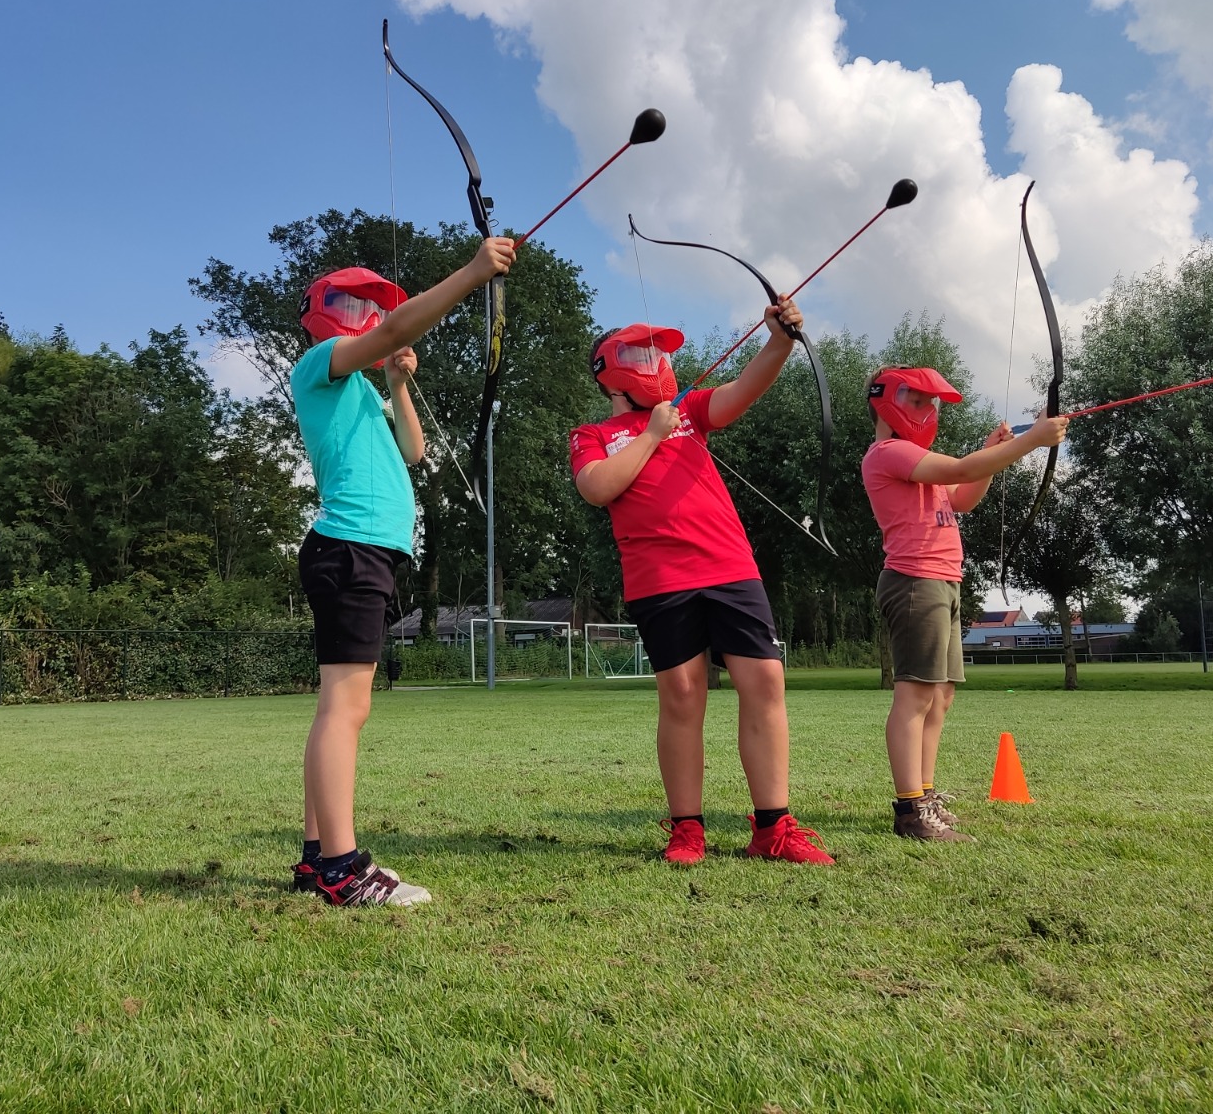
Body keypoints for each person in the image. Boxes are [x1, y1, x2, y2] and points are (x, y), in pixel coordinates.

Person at [569, 300, 834, 867]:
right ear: (609, 369)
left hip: (730, 567)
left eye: (660, 351)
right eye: (643, 351)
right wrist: (650, 435)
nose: (657, 360)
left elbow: (744, 389)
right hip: (660, 580)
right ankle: (687, 828)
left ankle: (773, 827)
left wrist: (780, 340)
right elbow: (597, 488)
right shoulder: (592, 434)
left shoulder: (689, 410)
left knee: (764, 682)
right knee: (683, 696)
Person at [290, 241, 514, 905]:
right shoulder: (318, 366)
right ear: (320, 313)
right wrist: (474, 274)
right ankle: (342, 870)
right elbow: (395, 328)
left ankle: (314, 862)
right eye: (351, 303)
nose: (365, 315)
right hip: (348, 550)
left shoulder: (362, 386)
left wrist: (398, 383)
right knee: (345, 709)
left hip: (368, 554)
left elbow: (413, 451)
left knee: (338, 708)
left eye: (368, 305)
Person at [860, 365, 1068, 841]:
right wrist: (1031, 440)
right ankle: (910, 811)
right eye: (918, 400)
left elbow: (965, 495)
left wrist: (997, 453)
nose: (929, 410)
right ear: (887, 401)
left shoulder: (919, 460)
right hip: (915, 582)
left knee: (940, 695)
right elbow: (959, 469)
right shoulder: (888, 453)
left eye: (932, 402)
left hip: (942, 583)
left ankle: (925, 794)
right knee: (914, 696)